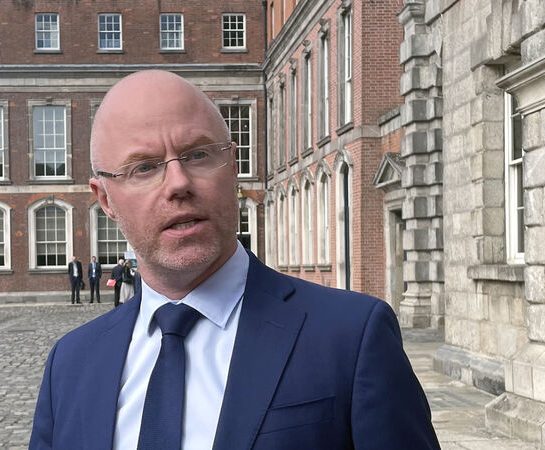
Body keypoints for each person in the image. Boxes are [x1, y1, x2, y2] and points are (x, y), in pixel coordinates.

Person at [30, 70, 439, 449]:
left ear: (233, 167)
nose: (178, 183)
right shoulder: (70, 363)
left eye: (198, 155)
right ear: (105, 199)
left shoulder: (351, 336)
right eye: (144, 167)